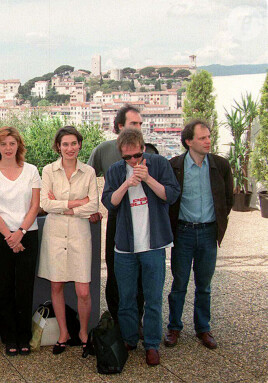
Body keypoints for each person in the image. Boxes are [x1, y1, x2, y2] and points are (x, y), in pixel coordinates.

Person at [101, 129, 180, 366]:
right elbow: (109, 202)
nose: (133, 161)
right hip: (125, 246)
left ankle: (152, 344)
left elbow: (171, 195)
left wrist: (147, 179)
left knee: (153, 297)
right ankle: (129, 338)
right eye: (127, 158)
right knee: (126, 297)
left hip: (154, 244)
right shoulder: (116, 171)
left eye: (136, 156)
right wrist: (126, 183)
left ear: (143, 149)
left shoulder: (159, 164)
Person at [164, 119, 233, 350]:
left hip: (207, 233)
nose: (208, 141)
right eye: (202, 137)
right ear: (188, 141)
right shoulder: (174, 166)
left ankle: (203, 328)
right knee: (179, 283)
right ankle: (174, 327)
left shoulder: (221, 166)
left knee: (204, 285)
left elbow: (228, 199)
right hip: (183, 232)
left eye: (209, 136)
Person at [87, 104, 156, 327]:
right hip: (117, 220)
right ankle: (118, 320)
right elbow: (86, 179)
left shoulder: (150, 152)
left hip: (144, 221)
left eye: (140, 124)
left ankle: (138, 320)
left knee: (142, 275)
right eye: (133, 123)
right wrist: (90, 208)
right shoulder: (104, 150)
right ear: (119, 126)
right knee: (116, 272)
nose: (138, 127)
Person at [0, 126, 41, 356]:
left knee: (25, 288)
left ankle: (24, 337)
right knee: (4, 288)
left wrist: (21, 232)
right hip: (1, 237)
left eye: (11, 143)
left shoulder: (32, 170)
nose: (7, 148)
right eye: (3, 144)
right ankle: (9, 338)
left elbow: (35, 206)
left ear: (18, 146)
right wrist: (10, 236)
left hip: (28, 235)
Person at [38, 126, 98, 357]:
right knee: (57, 285)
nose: (70, 148)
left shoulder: (89, 172)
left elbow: (93, 206)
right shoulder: (49, 171)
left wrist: (62, 204)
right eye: (65, 144)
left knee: (83, 290)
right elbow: (45, 204)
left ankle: (83, 333)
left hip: (80, 235)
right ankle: (63, 333)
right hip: (55, 234)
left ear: (80, 145)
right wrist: (75, 203)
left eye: (74, 143)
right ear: (58, 147)